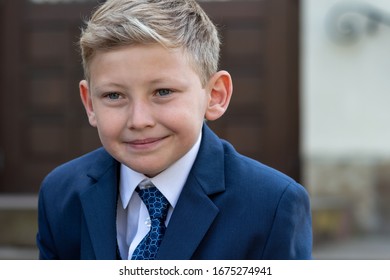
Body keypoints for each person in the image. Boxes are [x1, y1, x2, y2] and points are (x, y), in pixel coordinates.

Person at [36, 0, 312, 260]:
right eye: (114, 96)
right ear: (89, 103)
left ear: (215, 95)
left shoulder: (273, 205)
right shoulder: (60, 194)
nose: (138, 120)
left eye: (163, 92)